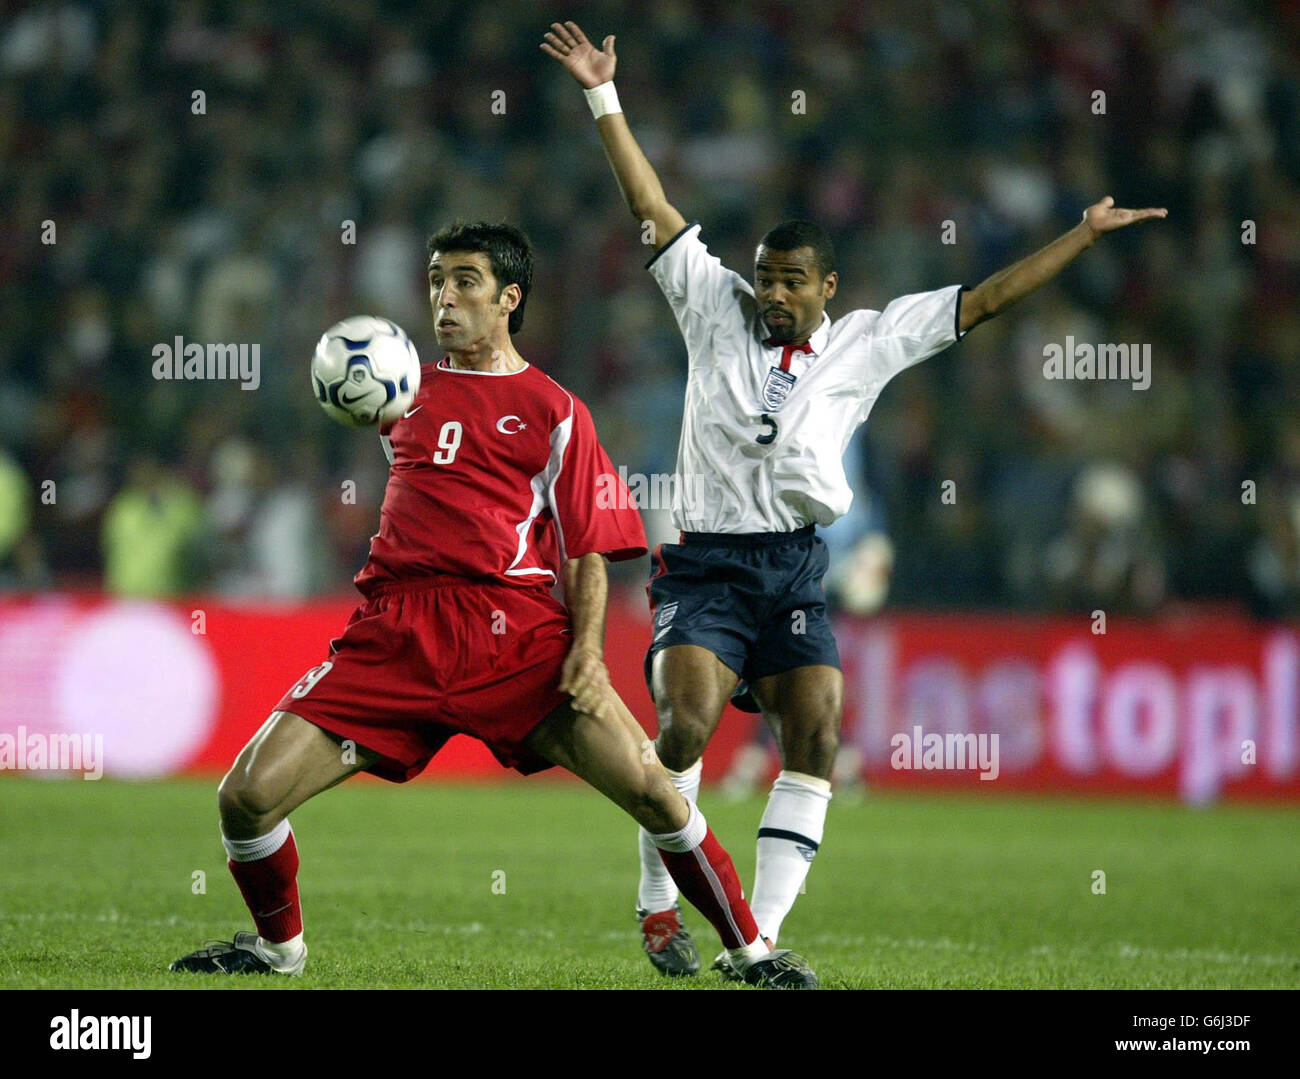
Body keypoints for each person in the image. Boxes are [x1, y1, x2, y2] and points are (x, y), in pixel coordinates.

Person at [542, 20, 1167, 980]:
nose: (771, 293)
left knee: (818, 733)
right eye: (765, 276)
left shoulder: (869, 339)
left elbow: (985, 300)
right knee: (683, 726)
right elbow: (650, 202)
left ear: (826, 286)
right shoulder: (710, 303)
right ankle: (659, 902)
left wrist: (1080, 235)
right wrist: (603, 95)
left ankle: (758, 938)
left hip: (793, 563)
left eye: (791, 281)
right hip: (706, 560)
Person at [169, 220, 817, 989]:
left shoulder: (556, 410)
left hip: (514, 638)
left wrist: (586, 652)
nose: (444, 297)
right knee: (245, 797)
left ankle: (752, 952)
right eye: (436, 280)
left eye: (465, 281)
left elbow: (588, 544)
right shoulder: (402, 390)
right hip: (395, 635)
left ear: (509, 298)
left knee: (655, 791)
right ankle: (278, 949)